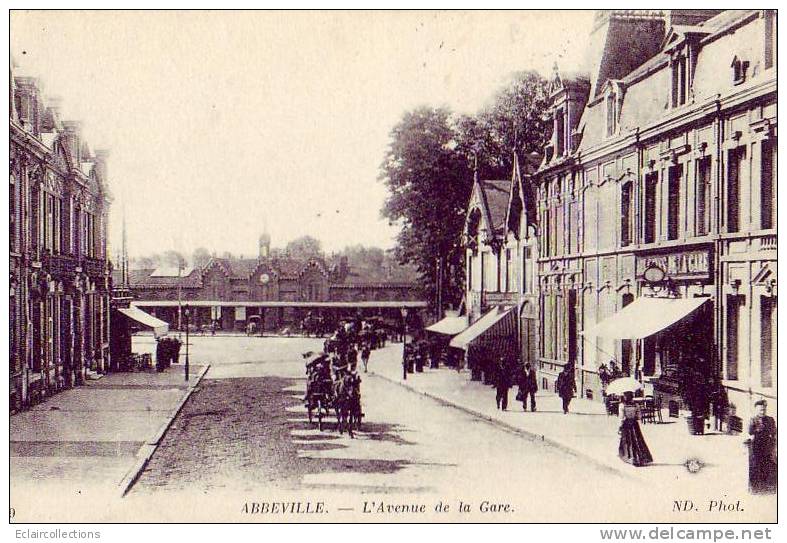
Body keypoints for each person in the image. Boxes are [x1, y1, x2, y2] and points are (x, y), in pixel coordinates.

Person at [747, 400, 777, 494]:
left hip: (768, 447)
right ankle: (755, 489)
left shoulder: (770, 420)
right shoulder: (753, 420)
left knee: (768, 467)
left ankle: (767, 488)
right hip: (756, 447)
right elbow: (750, 433)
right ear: (756, 410)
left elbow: (774, 433)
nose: (762, 411)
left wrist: (774, 447)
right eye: (760, 410)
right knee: (755, 467)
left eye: (764, 409)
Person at [618, 391, 653, 466]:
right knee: (637, 440)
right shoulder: (636, 405)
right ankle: (640, 457)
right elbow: (639, 416)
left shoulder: (622, 405)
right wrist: (635, 416)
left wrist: (620, 426)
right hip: (634, 424)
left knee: (628, 441)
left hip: (626, 424)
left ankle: (629, 457)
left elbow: (621, 417)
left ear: (625, 397)